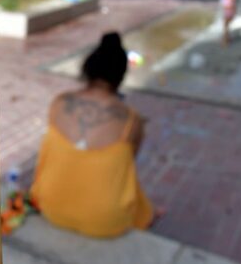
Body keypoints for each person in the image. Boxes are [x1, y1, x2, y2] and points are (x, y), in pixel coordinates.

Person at [30, 32, 154, 238]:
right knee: (126, 180)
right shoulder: (132, 121)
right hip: (105, 223)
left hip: (49, 204)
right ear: (120, 76)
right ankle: (149, 212)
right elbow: (124, 168)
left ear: (87, 69)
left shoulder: (59, 102)